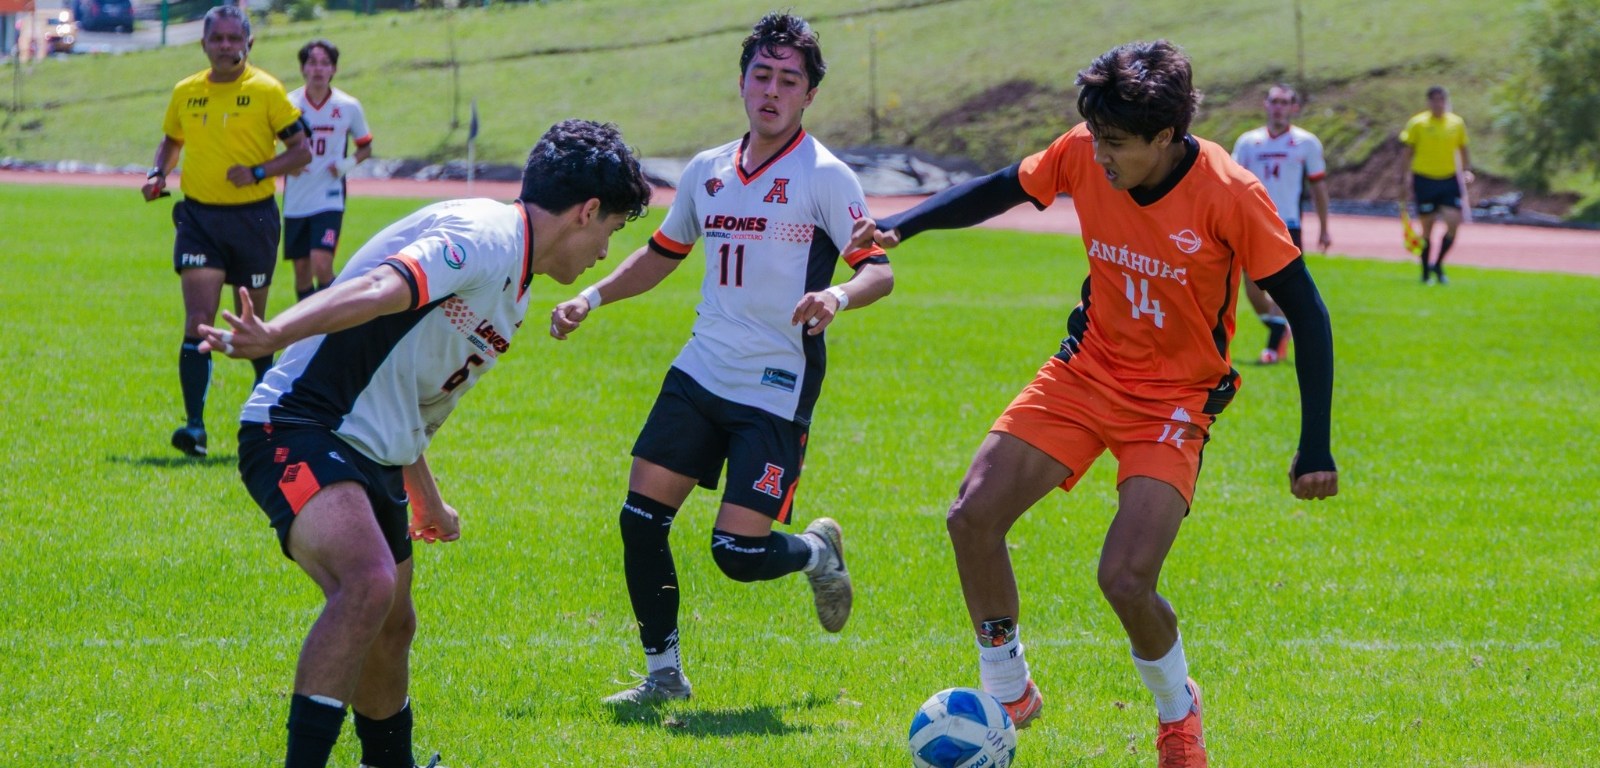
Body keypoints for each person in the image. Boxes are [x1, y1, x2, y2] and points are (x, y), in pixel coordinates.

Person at [855, 40, 1338, 767]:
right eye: (1096, 136)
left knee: (1125, 579)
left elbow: (1309, 311)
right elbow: (1004, 185)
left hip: (1174, 402)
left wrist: (1316, 445)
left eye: (1116, 143)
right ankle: (1008, 687)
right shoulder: (1085, 148)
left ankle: (1178, 713)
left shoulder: (1231, 193)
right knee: (972, 516)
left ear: (1165, 136)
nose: (1099, 155)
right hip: (1086, 372)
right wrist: (907, 223)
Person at [197, 119, 652, 768]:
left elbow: (405, 390)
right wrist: (274, 333)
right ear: (586, 211)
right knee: (368, 583)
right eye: (611, 229)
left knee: (393, 625)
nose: (604, 251)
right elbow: (380, 289)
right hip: (301, 424)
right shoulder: (485, 235)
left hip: (373, 452)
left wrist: (427, 497)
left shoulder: (515, 285)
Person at [549, 12, 893, 705]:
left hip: (775, 384)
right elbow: (662, 255)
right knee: (640, 520)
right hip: (702, 369)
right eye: (761, 75)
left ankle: (817, 552)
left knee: (736, 555)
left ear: (809, 95)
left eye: (788, 80)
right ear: (742, 81)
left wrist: (836, 296)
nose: (772, 91)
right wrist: (592, 296)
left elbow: (878, 272)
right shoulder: (707, 171)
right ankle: (663, 677)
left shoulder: (826, 177)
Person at [142, 3, 311, 458]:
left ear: (248, 43)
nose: (225, 46)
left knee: (250, 325)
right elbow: (172, 140)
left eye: (234, 38)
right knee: (198, 321)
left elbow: (301, 151)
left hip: (253, 219)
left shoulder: (267, 90)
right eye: (217, 38)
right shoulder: (186, 91)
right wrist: (158, 173)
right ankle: (194, 428)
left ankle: (266, 419)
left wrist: (258, 172)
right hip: (199, 219)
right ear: (203, 44)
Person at [1231, 83, 1331, 365]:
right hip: (1252, 223)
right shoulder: (1248, 142)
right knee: (1252, 291)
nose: (1279, 107)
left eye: (1284, 102)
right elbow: (1232, 182)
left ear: (1294, 108)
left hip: (1286, 224)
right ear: (1266, 105)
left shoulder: (1306, 143)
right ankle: (1281, 329)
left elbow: (1318, 188)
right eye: (1274, 101)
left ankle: (1273, 347)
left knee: (1280, 286)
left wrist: (1324, 227)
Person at [283, 38, 374, 302]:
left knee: (322, 264)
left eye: (325, 63)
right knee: (302, 271)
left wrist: (345, 165)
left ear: (334, 69)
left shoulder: (348, 106)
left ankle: (331, 321)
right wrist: (286, 163)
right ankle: (308, 325)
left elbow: (366, 146)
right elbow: (266, 142)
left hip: (329, 196)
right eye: (312, 63)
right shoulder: (288, 104)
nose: (318, 69)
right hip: (297, 197)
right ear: (303, 68)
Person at [1397, 85, 1472, 284]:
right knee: (1427, 229)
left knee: (1453, 224)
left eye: (1441, 100)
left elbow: (1463, 148)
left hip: (1449, 179)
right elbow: (1407, 151)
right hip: (1424, 180)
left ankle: (1438, 264)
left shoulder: (1456, 123)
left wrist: (1467, 170)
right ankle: (1425, 273)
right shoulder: (1418, 123)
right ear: (1429, 102)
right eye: (1434, 100)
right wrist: (1403, 177)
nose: (1438, 104)